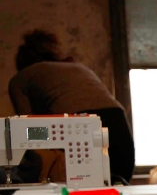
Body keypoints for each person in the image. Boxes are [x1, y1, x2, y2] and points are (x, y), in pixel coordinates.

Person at [8, 30, 136, 183]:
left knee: (82, 185)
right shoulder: (78, 68)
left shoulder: (20, 78)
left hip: (79, 125)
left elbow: (27, 129)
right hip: (118, 122)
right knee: (118, 183)